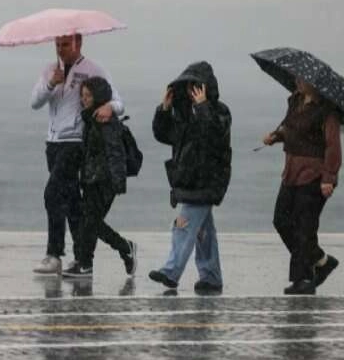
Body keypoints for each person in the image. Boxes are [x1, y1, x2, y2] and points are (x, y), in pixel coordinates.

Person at [30, 34, 129, 274]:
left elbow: (119, 101)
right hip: (52, 143)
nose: (61, 50)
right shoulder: (50, 70)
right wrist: (51, 83)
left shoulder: (94, 69)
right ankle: (84, 259)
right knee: (74, 204)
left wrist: (108, 107)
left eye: (65, 45)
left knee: (52, 193)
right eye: (57, 45)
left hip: (74, 143)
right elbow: (35, 102)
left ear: (78, 43)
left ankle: (54, 254)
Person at [148, 61, 231, 295]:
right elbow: (165, 135)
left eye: (196, 86)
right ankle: (211, 276)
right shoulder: (183, 114)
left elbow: (215, 136)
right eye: (187, 87)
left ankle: (171, 272)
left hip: (207, 180)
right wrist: (163, 110)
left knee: (182, 226)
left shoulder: (220, 111)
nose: (191, 92)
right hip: (188, 179)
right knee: (204, 233)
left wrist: (203, 106)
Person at [262, 77, 341, 295]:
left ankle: (303, 279)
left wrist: (329, 177)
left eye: (303, 79)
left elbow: (333, 146)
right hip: (291, 172)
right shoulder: (295, 102)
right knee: (281, 220)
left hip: (314, 175)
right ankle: (321, 262)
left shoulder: (327, 111)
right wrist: (276, 136)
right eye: (296, 77)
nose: (297, 81)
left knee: (305, 228)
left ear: (315, 83)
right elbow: (292, 131)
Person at [62, 76, 137, 278]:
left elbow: (115, 153)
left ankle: (116, 251)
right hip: (91, 179)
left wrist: (116, 183)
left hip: (103, 181)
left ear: (99, 96)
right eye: (82, 96)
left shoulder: (104, 121)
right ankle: (89, 262)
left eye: (88, 95)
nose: (84, 99)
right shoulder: (91, 118)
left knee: (90, 222)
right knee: (90, 222)